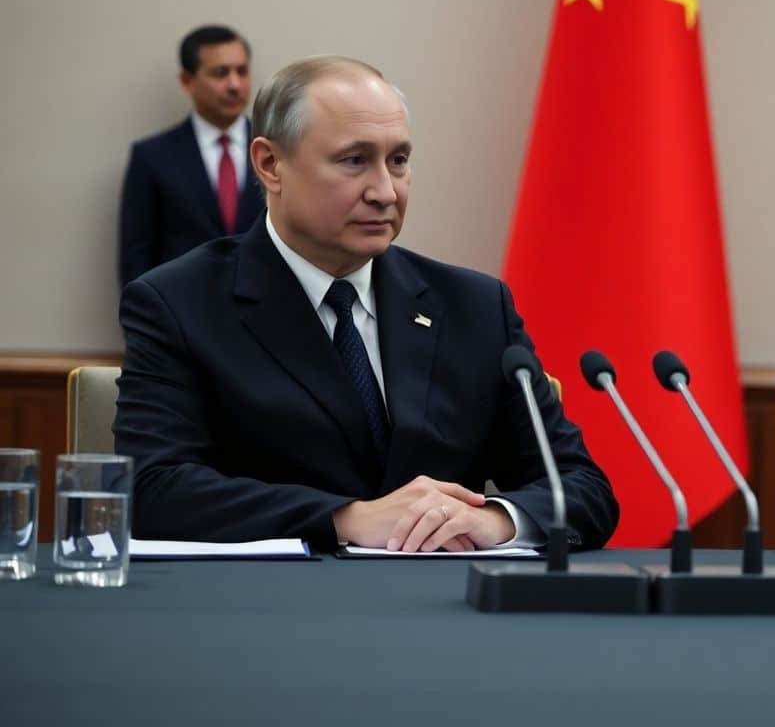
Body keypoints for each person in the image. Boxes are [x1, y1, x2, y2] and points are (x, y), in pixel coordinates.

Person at [115, 55, 618, 551]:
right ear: (270, 165)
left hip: (447, 597)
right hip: (271, 597)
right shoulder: (178, 303)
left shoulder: (477, 307)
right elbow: (153, 489)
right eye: (354, 160)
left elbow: (581, 487)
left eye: (398, 161)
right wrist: (346, 518)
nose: (385, 192)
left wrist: (494, 520)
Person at [118, 25, 265, 286]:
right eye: (221, 73)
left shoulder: (275, 149)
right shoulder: (152, 157)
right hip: (182, 305)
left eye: (242, 71)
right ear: (187, 81)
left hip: (268, 302)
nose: (234, 85)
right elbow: (135, 258)